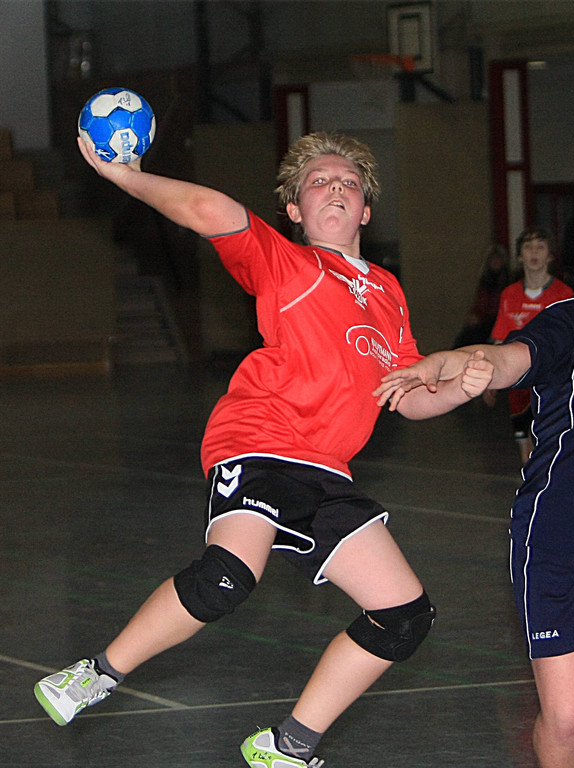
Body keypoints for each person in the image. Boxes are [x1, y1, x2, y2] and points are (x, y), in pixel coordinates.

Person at [34, 130, 493, 767]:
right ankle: (98, 673)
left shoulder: (388, 292)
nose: (335, 188)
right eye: (318, 181)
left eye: (349, 182)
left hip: (327, 470)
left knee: (404, 616)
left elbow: (406, 393)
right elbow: (209, 211)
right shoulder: (288, 264)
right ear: (295, 209)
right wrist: (128, 178)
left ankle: (287, 747)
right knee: (227, 577)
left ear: (365, 210)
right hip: (262, 440)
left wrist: (459, 390)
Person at [375, 193, 574, 768]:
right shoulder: (569, 322)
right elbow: (509, 359)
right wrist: (461, 364)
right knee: (569, 715)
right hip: (557, 538)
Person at [488, 226, 574, 463]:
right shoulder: (510, 294)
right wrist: (490, 378)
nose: (534, 252)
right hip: (519, 383)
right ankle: (529, 480)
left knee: (549, 443)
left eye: (540, 247)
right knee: (524, 445)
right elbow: (500, 339)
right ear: (519, 256)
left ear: (550, 256)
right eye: (528, 247)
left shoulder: (564, 294)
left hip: (552, 383)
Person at [453, 243, 511, 347]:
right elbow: (481, 304)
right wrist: (474, 315)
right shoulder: (485, 282)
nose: (495, 262)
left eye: (498, 259)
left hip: (497, 320)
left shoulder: (508, 283)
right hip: (485, 321)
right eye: (493, 259)